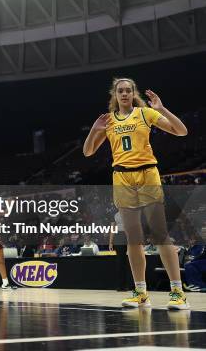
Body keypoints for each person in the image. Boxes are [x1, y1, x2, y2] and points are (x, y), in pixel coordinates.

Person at [83, 77, 189, 309]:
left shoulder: (145, 114)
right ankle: (141, 293)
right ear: (115, 95)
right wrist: (94, 130)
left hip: (147, 174)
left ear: (133, 94)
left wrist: (162, 109)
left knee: (160, 234)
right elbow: (88, 151)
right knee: (133, 239)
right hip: (121, 177)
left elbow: (181, 131)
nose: (124, 94)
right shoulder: (108, 121)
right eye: (120, 91)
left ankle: (178, 292)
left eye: (128, 91)